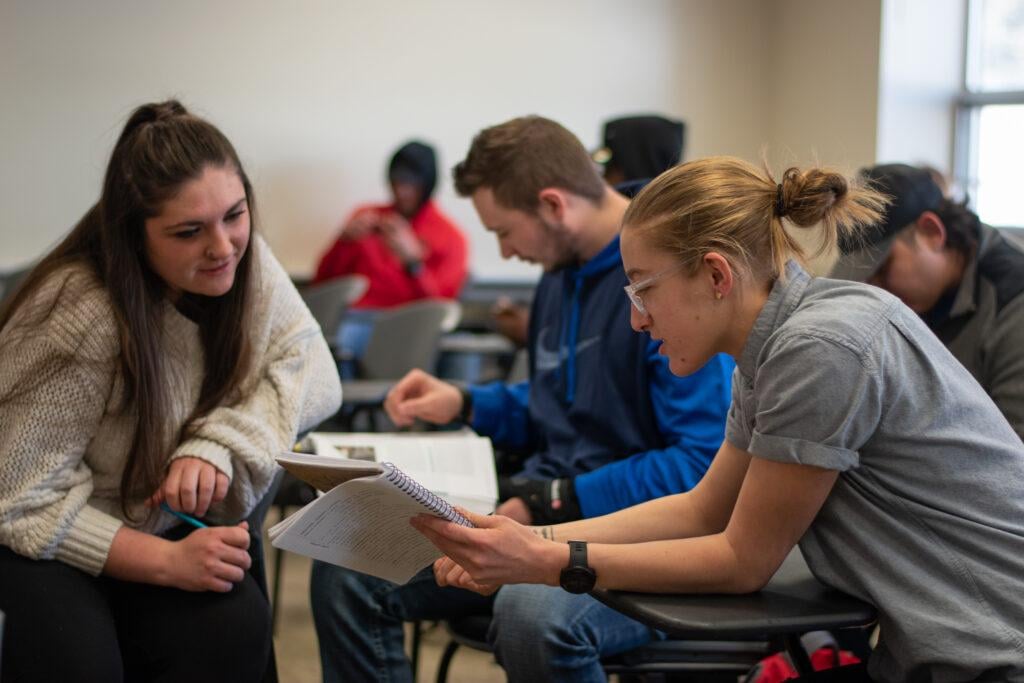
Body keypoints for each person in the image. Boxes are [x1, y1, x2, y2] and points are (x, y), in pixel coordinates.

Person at [414, 157, 1024, 682]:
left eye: (641, 290)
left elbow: (741, 561)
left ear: (715, 275)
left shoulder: (822, 348)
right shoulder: (775, 345)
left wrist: (548, 561)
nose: (637, 320)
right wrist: (523, 541)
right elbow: (701, 510)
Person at [309, 116, 734, 682]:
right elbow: (554, 402)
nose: (505, 253)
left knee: (530, 612)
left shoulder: (666, 277)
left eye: (504, 232)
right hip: (538, 515)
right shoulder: (559, 276)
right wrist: (464, 402)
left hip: (635, 537)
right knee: (349, 570)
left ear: (553, 206)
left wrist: (549, 502)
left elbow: (697, 467)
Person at [0, 100, 342, 683]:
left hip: (154, 521)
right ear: (134, 235)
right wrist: (164, 562)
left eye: (235, 215)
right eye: (189, 231)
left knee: (232, 628)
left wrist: (218, 444)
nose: (223, 246)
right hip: (45, 536)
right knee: (81, 663)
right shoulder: (82, 310)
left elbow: (312, 365)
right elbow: (20, 499)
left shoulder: (243, 257)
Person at [831, 163, 1024, 440]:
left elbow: (1016, 456)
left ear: (932, 232)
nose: (878, 291)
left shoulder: (1013, 302)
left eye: (884, 270)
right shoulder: (916, 298)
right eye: (866, 279)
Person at [494, 113, 688, 348]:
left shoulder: (667, 253)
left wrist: (528, 328)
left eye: (610, 169)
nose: (603, 181)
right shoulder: (578, 254)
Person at [313, 140, 469, 361]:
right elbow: (323, 283)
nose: (401, 192)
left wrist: (414, 263)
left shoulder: (451, 237)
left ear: (427, 186)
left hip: (408, 329)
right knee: (332, 341)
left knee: (347, 340)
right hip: (355, 319)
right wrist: (343, 241)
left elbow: (441, 312)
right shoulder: (366, 216)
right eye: (396, 182)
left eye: (410, 185)